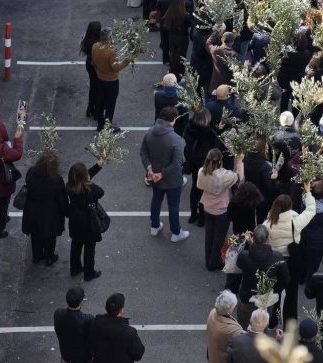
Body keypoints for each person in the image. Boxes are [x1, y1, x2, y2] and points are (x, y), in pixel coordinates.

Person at [264, 186, 316, 322]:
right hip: (292, 261)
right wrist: (308, 192)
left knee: (274, 290)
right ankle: (289, 322)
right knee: (291, 293)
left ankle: (272, 319)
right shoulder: (296, 221)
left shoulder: (267, 224)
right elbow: (311, 210)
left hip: (274, 261)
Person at [139, 106, 190, 243]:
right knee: (173, 206)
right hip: (172, 180)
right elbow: (176, 164)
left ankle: (154, 226)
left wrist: (149, 169)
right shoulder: (176, 139)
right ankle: (176, 232)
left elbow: (143, 153)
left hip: (154, 175)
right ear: (173, 119)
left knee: (156, 201)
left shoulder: (149, 133)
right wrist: (162, 174)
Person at [89, 293, 145, 363]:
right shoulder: (129, 332)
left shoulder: (95, 324)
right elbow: (138, 354)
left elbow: (91, 344)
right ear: (121, 310)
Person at [197, 147, 244, 270]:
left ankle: (208, 258)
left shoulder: (202, 172)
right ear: (220, 161)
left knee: (209, 234)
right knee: (219, 237)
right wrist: (239, 161)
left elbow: (199, 185)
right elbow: (240, 178)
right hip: (221, 210)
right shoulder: (225, 176)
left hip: (207, 207)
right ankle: (214, 262)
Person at [21, 149, 69, 266]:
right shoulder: (56, 179)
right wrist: (66, 211)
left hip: (33, 212)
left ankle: (37, 256)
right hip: (50, 214)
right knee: (50, 237)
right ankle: (49, 257)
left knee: (35, 236)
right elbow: (62, 198)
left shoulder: (32, 172)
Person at [67, 160, 106, 281]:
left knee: (76, 245)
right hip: (89, 223)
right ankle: (89, 273)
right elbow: (101, 192)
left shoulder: (70, 186)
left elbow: (80, 178)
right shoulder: (90, 189)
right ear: (85, 177)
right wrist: (90, 181)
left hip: (75, 221)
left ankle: (75, 268)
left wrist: (96, 167)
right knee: (89, 249)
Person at [53, 286, 93, 363]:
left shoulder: (58, 314)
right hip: (81, 361)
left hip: (65, 358)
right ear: (81, 302)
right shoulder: (88, 320)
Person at [91, 28, 132, 132]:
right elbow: (115, 68)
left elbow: (93, 62)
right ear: (109, 38)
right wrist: (127, 61)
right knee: (110, 104)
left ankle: (100, 124)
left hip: (100, 78)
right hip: (111, 81)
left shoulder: (95, 46)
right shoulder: (111, 51)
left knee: (100, 101)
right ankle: (108, 126)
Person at [80, 21, 102, 120]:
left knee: (93, 87)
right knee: (99, 89)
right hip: (96, 66)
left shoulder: (86, 38)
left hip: (89, 64)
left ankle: (90, 108)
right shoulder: (97, 43)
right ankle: (97, 110)